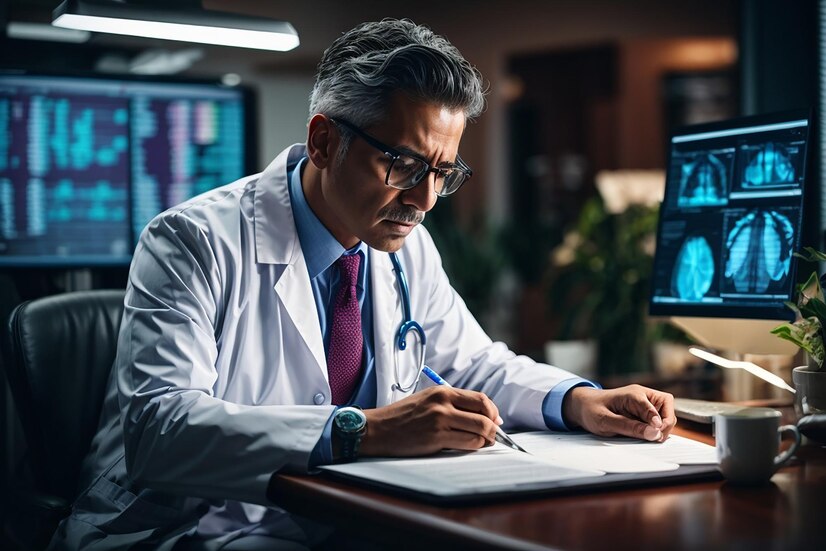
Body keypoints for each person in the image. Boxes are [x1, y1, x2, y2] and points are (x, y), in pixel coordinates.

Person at [50, 18, 676, 551]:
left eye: (442, 172)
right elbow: (159, 431)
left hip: (326, 517)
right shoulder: (191, 240)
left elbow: (472, 363)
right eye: (403, 164)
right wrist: (364, 430)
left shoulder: (404, 246)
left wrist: (579, 402)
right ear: (325, 141)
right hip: (181, 527)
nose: (424, 199)